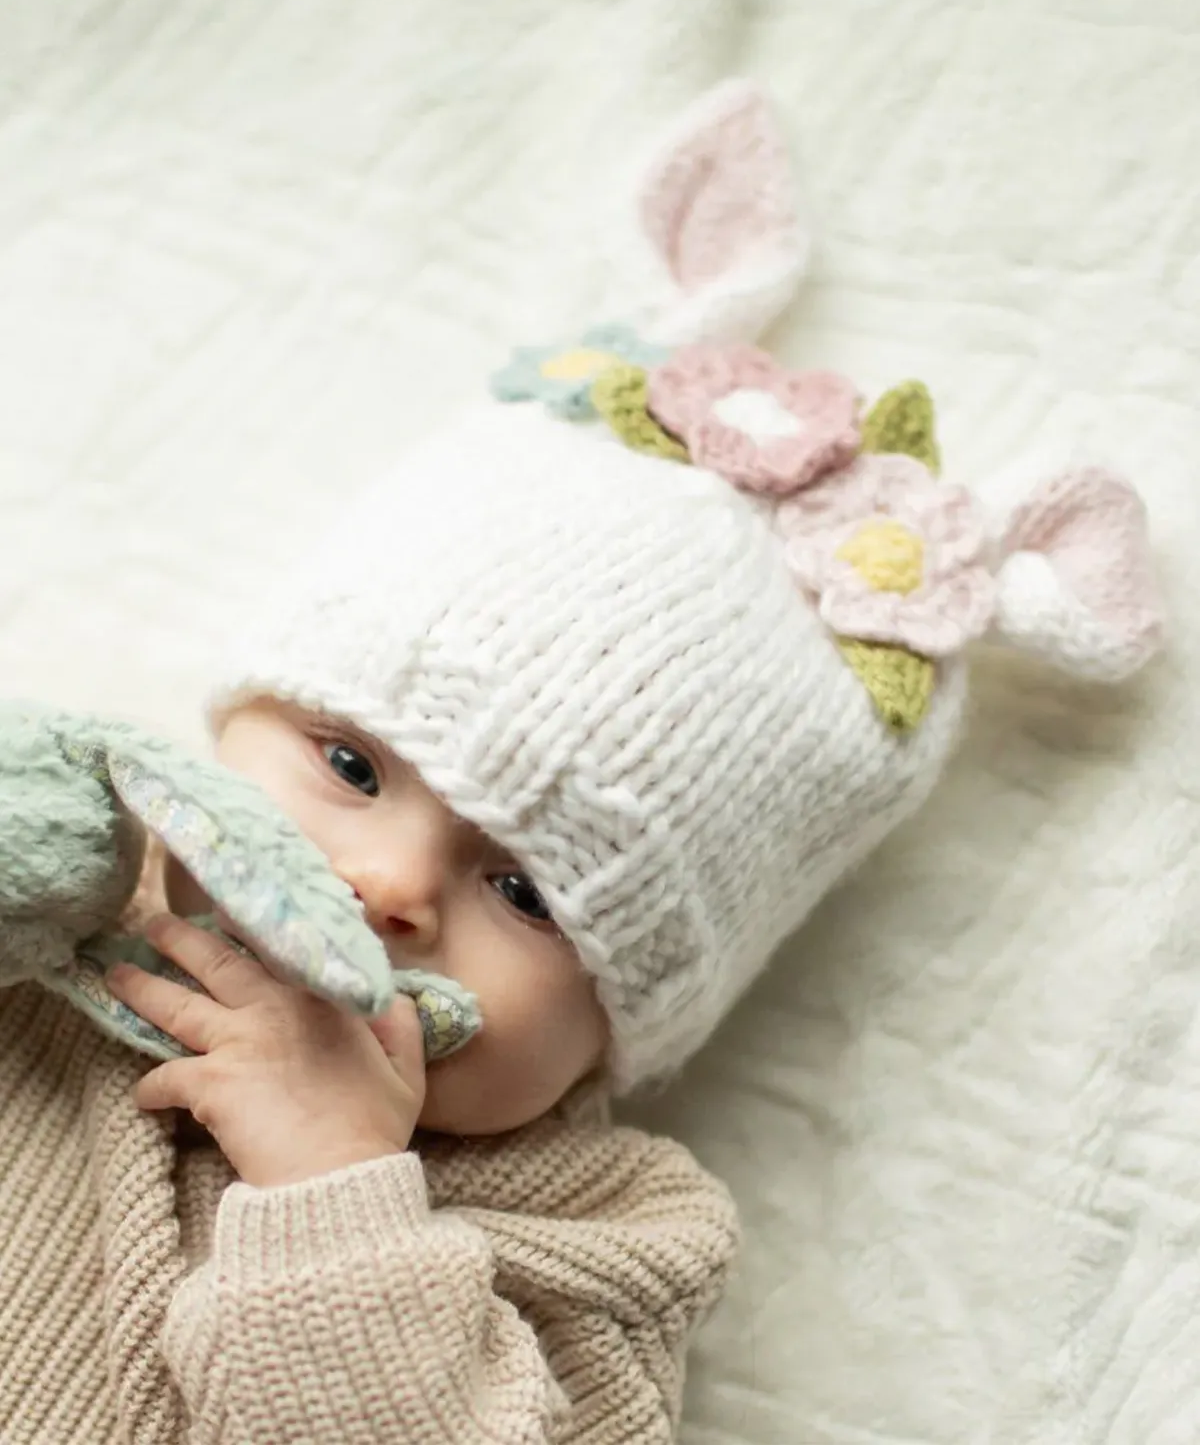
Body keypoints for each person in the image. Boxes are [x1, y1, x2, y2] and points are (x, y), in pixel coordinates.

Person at [0, 83, 1163, 1444]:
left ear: (628, 1024)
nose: (385, 888)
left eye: (531, 896)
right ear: (228, 726)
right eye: (350, 766)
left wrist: (330, 1185)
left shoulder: (604, 1243)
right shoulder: (48, 929)